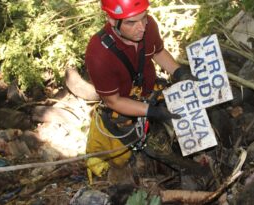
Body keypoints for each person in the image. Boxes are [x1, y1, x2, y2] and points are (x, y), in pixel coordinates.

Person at [84, 0, 196, 183]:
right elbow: (114, 101)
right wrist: (152, 112)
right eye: (131, 22)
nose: (141, 28)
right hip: (123, 105)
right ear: (112, 20)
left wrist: (179, 72)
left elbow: (158, 52)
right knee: (152, 146)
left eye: (143, 18)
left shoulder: (149, 25)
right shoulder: (98, 55)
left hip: (149, 90)